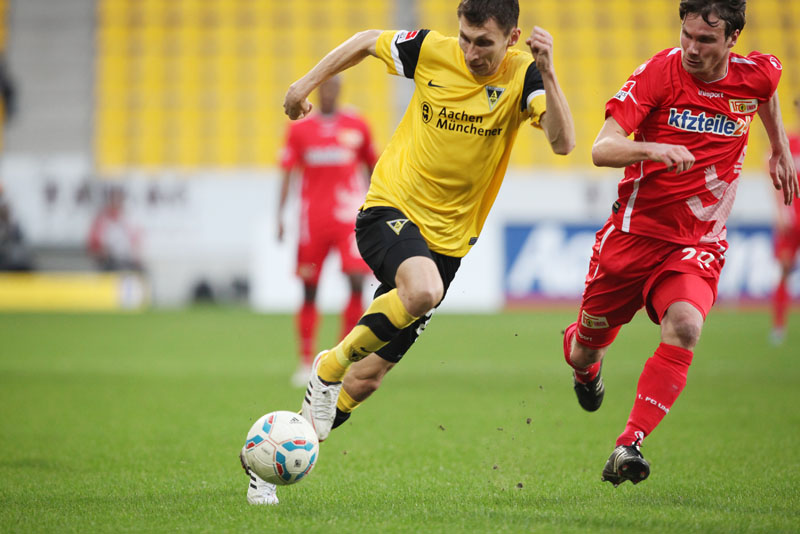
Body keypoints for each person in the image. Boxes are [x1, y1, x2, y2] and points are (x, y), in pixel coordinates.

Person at [240, 0, 576, 505]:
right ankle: (326, 367)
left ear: (512, 38)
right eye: (465, 38)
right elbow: (364, 41)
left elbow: (563, 143)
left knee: (366, 379)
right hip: (390, 209)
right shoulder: (431, 51)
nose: (470, 52)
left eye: (483, 43)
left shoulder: (524, 76)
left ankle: (266, 465)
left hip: (448, 243)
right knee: (421, 291)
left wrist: (548, 72)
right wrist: (302, 85)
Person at [560, 0, 798, 487]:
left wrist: (778, 148)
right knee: (583, 350)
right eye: (687, 35)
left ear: (731, 40)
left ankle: (628, 444)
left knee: (686, 325)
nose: (691, 47)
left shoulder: (755, 74)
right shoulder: (659, 74)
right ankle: (586, 369)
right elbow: (602, 148)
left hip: (696, 243)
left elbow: (766, 92)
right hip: (632, 238)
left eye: (705, 40)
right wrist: (653, 148)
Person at [277, 75, 378, 388]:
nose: (330, 93)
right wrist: (280, 215)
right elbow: (287, 173)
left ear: (340, 90)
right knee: (309, 288)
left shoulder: (357, 124)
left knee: (357, 282)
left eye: (335, 88)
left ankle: (343, 360)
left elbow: (373, 168)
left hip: (348, 219)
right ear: (318, 92)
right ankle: (305, 360)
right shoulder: (300, 129)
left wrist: (379, 210)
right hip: (313, 221)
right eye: (326, 88)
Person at [769, 96, 800, 346]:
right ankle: (779, 326)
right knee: (784, 269)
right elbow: (775, 179)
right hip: (792, 219)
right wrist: (780, 212)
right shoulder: (788, 142)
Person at [87, 186, 143, 272]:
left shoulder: (128, 219)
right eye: (114, 200)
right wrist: (102, 253)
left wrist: (135, 256)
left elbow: (135, 243)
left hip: (126, 259)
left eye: (119, 200)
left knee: (141, 270)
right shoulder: (101, 221)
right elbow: (94, 247)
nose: (117, 204)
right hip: (109, 261)